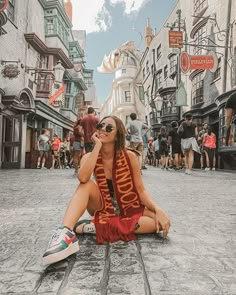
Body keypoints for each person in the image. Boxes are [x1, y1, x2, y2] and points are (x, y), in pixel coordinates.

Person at [42, 116, 171, 265]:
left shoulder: (130, 156)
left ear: (118, 135)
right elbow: (83, 178)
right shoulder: (89, 156)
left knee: (159, 222)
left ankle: (96, 226)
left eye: (109, 128)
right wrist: (96, 146)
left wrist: (158, 209)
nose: (103, 129)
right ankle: (65, 232)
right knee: (87, 185)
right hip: (102, 206)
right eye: (100, 126)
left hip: (129, 207)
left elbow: (141, 191)